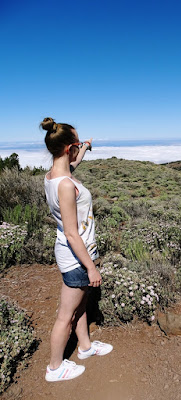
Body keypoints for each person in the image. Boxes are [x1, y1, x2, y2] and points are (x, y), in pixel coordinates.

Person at [41, 117, 113, 382]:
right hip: (76, 256)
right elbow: (72, 233)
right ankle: (55, 367)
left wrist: (85, 148)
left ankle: (84, 347)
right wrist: (91, 267)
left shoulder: (53, 175)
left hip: (72, 252)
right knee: (65, 316)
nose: (79, 148)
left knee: (81, 305)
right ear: (67, 148)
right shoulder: (66, 186)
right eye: (77, 143)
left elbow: (73, 164)